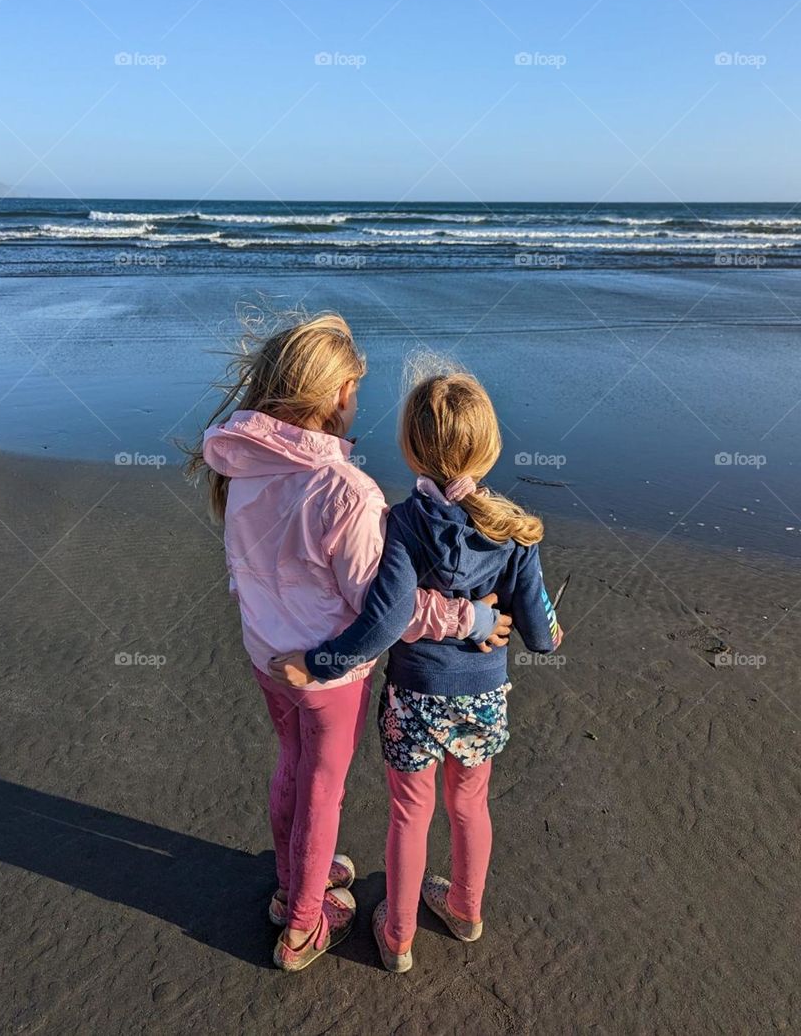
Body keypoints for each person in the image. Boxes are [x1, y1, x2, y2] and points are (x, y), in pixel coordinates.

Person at [186, 313, 509, 971]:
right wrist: (467, 620)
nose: (359, 399)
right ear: (337, 396)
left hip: (267, 654)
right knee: (322, 788)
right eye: (356, 387)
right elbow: (386, 609)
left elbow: (249, 559)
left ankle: (291, 883)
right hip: (327, 673)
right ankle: (304, 923)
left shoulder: (245, 463)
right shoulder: (347, 493)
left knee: (293, 766)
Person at [270, 367, 563, 972]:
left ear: (409, 449)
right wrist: (552, 627)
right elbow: (539, 635)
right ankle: (465, 909)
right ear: (490, 447)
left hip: (415, 698)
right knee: (470, 803)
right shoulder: (514, 532)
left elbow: (384, 622)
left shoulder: (402, 523)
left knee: (411, 812)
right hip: (483, 697)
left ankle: (398, 936)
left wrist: (321, 661)